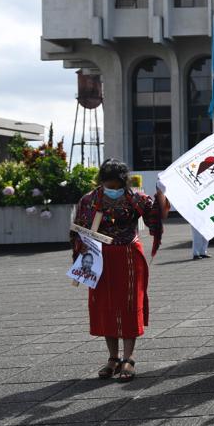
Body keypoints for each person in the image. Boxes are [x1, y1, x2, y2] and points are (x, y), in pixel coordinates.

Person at [71, 158, 168, 382]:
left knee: (129, 304)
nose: (112, 190)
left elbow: (155, 220)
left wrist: (161, 197)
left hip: (128, 257)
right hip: (99, 259)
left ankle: (129, 357)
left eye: (116, 186)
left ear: (124, 182)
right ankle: (113, 358)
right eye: (108, 185)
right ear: (101, 182)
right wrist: (81, 248)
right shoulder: (89, 200)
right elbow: (77, 230)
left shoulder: (136, 198)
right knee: (105, 305)